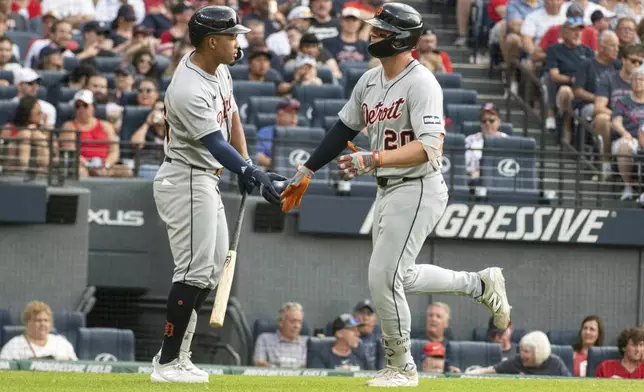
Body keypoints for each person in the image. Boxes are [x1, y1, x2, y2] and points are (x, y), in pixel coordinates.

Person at [279, 3, 512, 387]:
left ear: (401, 38)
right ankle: (480, 285)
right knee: (397, 275)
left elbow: (431, 146)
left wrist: (375, 159)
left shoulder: (422, 82)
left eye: (381, 30)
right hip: (388, 188)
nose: (372, 33)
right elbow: (342, 130)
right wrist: (307, 170)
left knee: (382, 277)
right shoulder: (370, 80)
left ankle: (401, 366)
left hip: (419, 184)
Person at [150, 6, 286, 384]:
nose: (238, 41)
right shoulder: (188, 87)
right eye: (232, 36)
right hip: (185, 178)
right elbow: (212, 141)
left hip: (204, 179)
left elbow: (233, 117)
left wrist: (244, 162)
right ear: (212, 41)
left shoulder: (218, 68)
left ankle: (178, 356)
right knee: (193, 272)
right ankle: (167, 362)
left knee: (207, 274)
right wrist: (249, 171)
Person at [466, 331, 571, 376]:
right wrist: (469, 374)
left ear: (539, 352)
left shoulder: (556, 364)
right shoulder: (517, 361)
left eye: (526, 351)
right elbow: (491, 370)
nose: (522, 355)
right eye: (521, 350)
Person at [0, 301, 77, 361]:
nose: (43, 324)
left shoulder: (62, 343)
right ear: (27, 323)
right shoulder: (14, 345)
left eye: (46, 320)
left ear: (51, 324)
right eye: (38, 320)